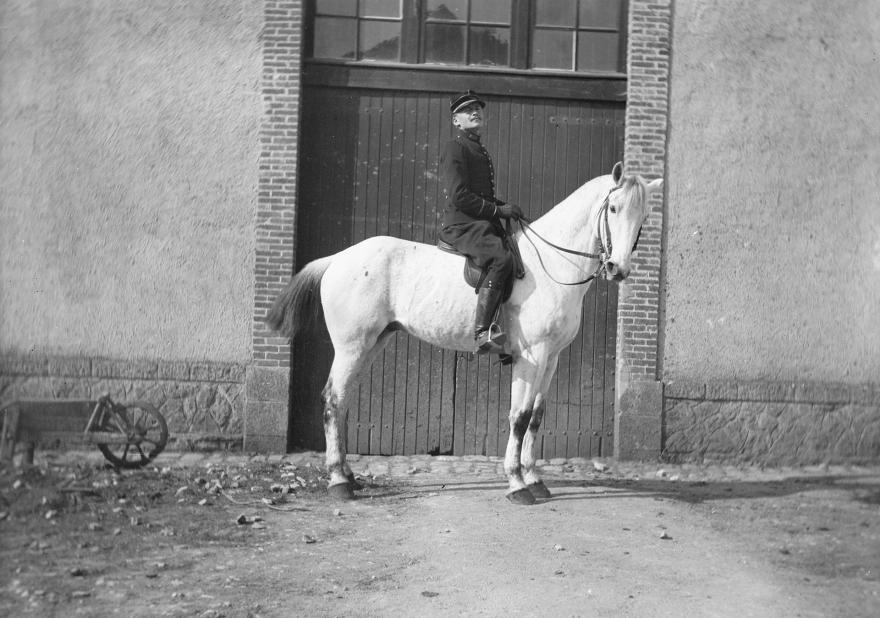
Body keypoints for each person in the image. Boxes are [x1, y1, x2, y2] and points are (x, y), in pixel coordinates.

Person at [438, 90, 523, 355]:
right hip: (461, 225)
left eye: (477, 108)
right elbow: (460, 196)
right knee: (501, 259)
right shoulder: (456, 147)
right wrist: (498, 211)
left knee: (514, 253)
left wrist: (503, 207)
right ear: (456, 121)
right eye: (467, 110)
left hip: (478, 223)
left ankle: (505, 333)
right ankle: (481, 331)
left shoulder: (477, 148)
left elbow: (481, 195)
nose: (475, 112)